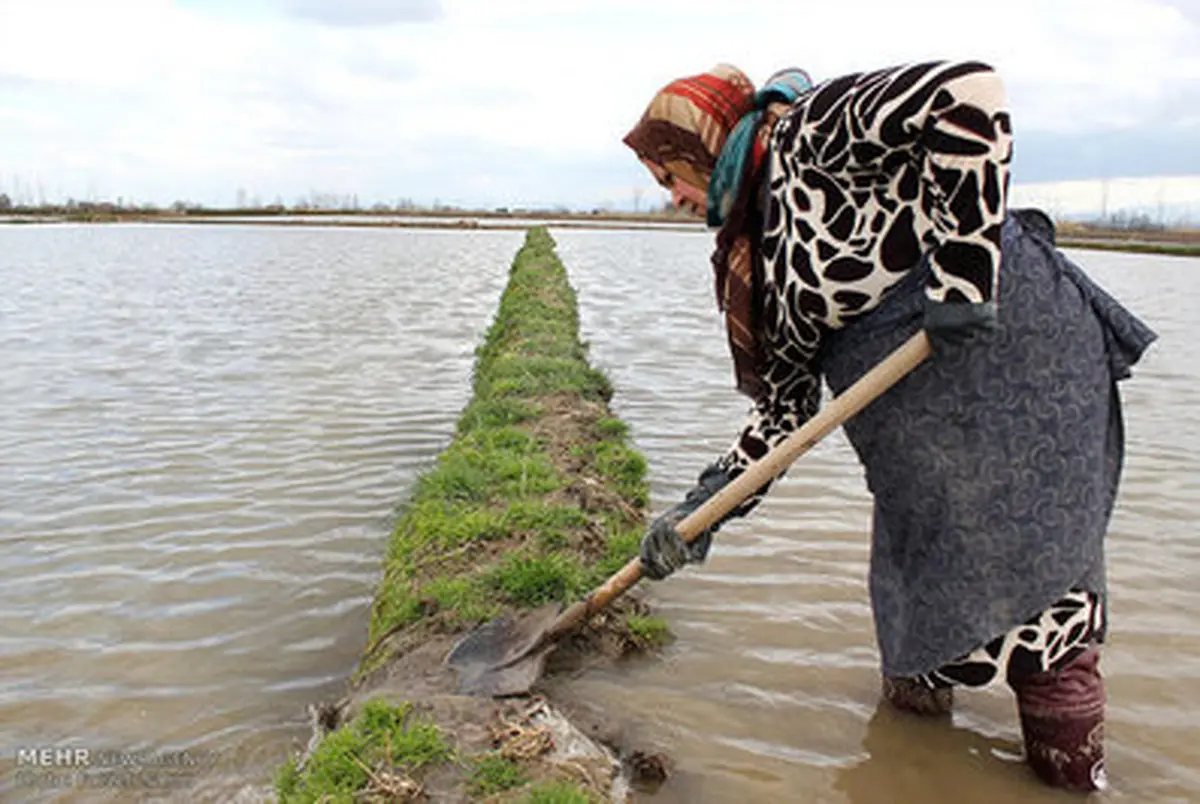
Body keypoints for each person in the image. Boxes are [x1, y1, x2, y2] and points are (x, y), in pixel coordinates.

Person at [623, 60, 1157, 793]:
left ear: (701, 149)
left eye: (668, 177)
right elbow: (783, 413)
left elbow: (969, 94)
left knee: (1045, 610)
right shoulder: (761, 254)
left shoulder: (813, 133)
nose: (674, 198)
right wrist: (701, 510)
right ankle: (906, 774)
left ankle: (1071, 783)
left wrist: (965, 274)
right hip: (921, 431)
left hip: (1017, 379)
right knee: (911, 604)